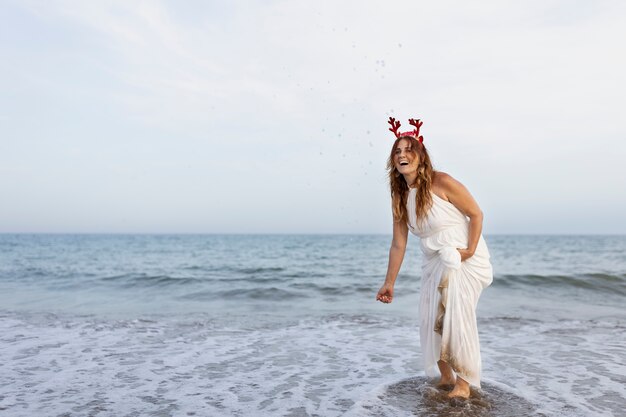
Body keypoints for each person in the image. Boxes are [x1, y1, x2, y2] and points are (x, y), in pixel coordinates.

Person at [376, 117, 493, 399]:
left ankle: (464, 383)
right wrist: (388, 282)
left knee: (456, 314)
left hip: (462, 255)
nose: (403, 155)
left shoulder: (442, 182)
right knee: (431, 316)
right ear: (393, 160)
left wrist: (469, 251)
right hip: (433, 259)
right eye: (397, 151)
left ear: (420, 156)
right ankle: (446, 375)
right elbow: (398, 243)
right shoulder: (400, 195)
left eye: (409, 150)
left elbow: (476, 215)